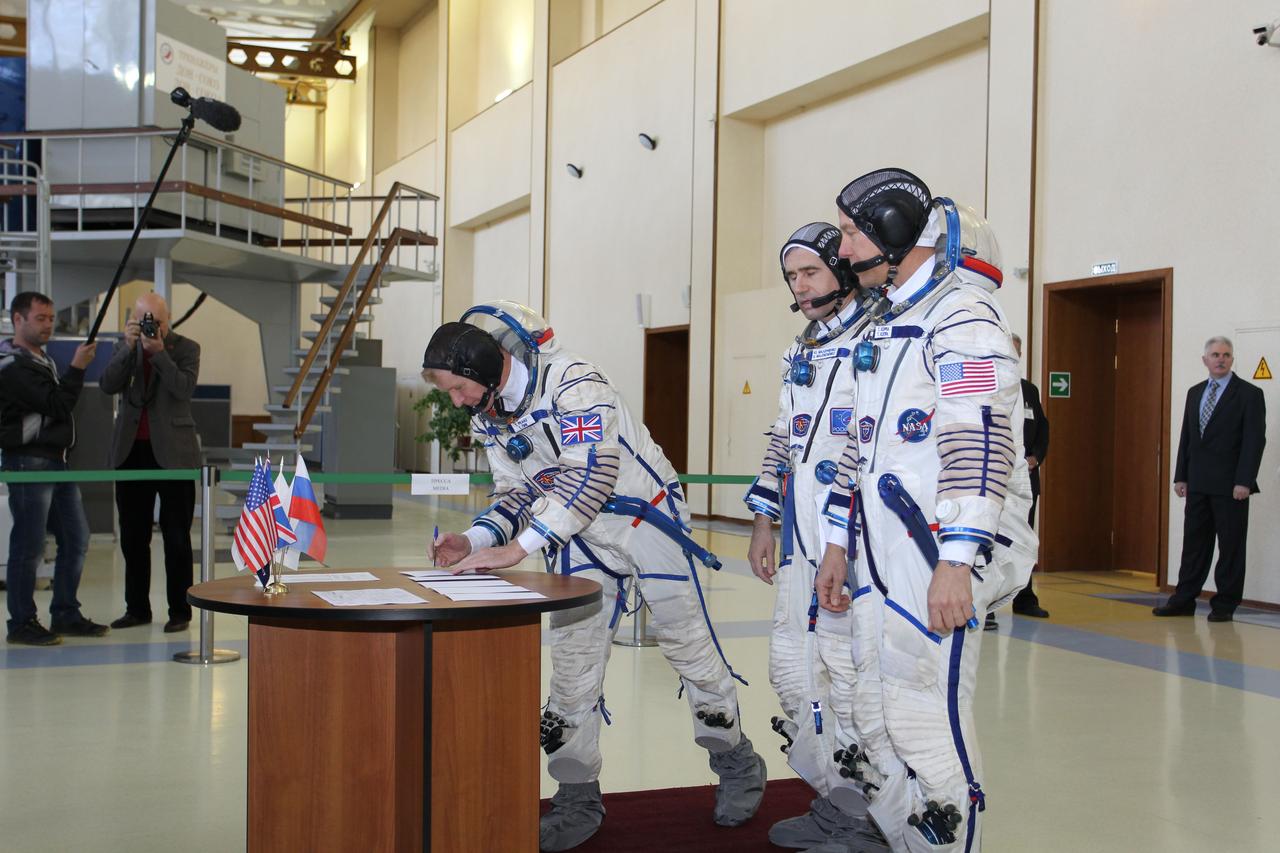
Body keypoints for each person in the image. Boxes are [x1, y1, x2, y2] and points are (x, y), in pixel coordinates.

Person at [423, 301, 765, 852]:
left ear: (483, 367)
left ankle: (736, 762)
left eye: (459, 388)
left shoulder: (575, 383)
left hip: (645, 520)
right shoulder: (490, 414)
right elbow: (516, 493)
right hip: (576, 533)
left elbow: (593, 476)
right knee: (573, 665)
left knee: (688, 647)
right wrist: (476, 540)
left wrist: (518, 549)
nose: (457, 401)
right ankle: (577, 796)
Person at [813, 169, 1037, 853]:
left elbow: (980, 439)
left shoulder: (963, 318)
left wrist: (957, 561)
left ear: (891, 232)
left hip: (941, 548)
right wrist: (836, 541)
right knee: (872, 710)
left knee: (921, 718)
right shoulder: (888, 326)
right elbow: (858, 448)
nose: (843, 251)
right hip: (882, 546)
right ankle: (902, 837)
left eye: (851, 233)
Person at [743, 223, 886, 850]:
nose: (800, 286)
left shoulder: (878, 340)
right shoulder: (800, 351)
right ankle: (836, 797)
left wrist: (838, 542)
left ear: (841, 268)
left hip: (853, 541)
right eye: (792, 277)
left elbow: (864, 446)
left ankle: (871, 814)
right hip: (802, 538)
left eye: (810, 272)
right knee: (794, 671)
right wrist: (763, 519)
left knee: (848, 678)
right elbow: (783, 436)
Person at [0, 291, 108, 645]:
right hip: (29, 462)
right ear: (18, 319)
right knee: (29, 544)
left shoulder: (41, 361)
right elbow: (57, 405)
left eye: (51, 318)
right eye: (40, 318)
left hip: (57, 461)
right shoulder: (13, 365)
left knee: (76, 538)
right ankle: (21, 622)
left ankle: (65, 612)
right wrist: (77, 368)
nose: (48, 325)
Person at [101, 293, 202, 633]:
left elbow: (183, 388)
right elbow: (107, 384)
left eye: (156, 321)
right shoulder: (124, 346)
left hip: (174, 453)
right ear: (132, 320)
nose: (150, 327)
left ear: (167, 319)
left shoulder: (186, 348)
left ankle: (180, 611)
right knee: (133, 536)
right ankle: (137, 609)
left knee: (176, 537)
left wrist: (158, 354)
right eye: (143, 321)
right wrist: (129, 349)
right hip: (131, 451)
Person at [1154, 336, 1266, 622]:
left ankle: (1225, 604)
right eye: (1215, 355)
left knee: (1230, 547)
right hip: (1198, 483)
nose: (1221, 359)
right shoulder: (1195, 392)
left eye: (1226, 355)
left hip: (1231, 486)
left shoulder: (1249, 394)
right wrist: (1181, 476)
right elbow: (1187, 437)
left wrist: (1244, 480)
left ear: (1232, 359)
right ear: (1205, 360)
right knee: (1194, 545)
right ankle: (1183, 600)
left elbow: (1254, 441)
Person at [986, 333, 1050, 629]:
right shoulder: (986, 385)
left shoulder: (1029, 390)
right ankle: (985, 603)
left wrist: (1036, 457)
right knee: (988, 540)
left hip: (1023, 480)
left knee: (1022, 538)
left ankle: (1025, 598)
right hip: (992, 480)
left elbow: (1042, 430)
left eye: (1017, 352)